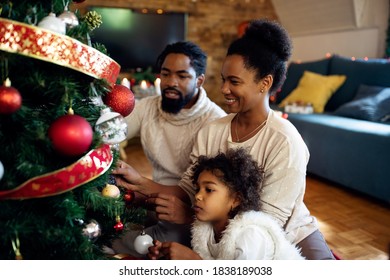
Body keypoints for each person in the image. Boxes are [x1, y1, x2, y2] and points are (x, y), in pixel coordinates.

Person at [113, 20, 335, 259]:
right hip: (218, 232)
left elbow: (263, 227)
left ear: (265, 83)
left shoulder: (285, 141)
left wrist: (191, 221)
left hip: (284, 238)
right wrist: (139, 182)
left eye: (235, 82)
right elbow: (188, 189)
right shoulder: (213, 131)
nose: (224, 89)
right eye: (223, 79)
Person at [111, 41, 226, 257]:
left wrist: (141, 184)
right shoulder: (148, 107)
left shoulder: (214, 122)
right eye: (166, 74)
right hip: (152, 199)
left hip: (191, 208)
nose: (171, 82)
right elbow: (112, 131)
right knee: (107, 217)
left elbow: (195, 192)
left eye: (182, 76)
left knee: (152, 246)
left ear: (199, 80)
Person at [147, 148, 305, 260]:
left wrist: (194, 262)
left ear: (236, 199)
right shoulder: (204, 232)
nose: (198, 196)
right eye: (198, 189)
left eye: (209, 190)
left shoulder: (250, 237)